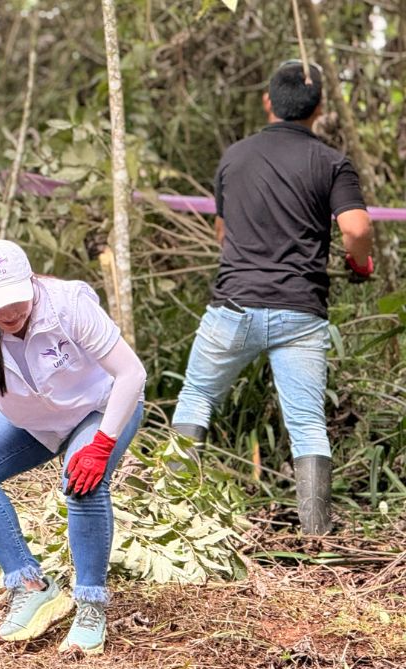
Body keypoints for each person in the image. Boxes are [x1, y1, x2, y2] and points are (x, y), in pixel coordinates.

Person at [170, 60, 374, 535]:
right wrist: (359, 263)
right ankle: (316, 537)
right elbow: (357, 227)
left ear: (267, 101)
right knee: (306, 423)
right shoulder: (331, 162)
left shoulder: (234, 157)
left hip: (234, 306)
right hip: (300, 313)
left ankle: (169, 511)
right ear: (319, 108)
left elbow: (223, 231)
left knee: (197, 397)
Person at [0, 240, 146, 656]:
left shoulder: (69, 304)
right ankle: (32, 587)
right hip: (31, 418)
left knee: (81, 479)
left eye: (17, 302)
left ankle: (90, 605)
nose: (10, 315)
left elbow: (132, 374)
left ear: (31, 282)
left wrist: (101, 445)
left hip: (100, 408)